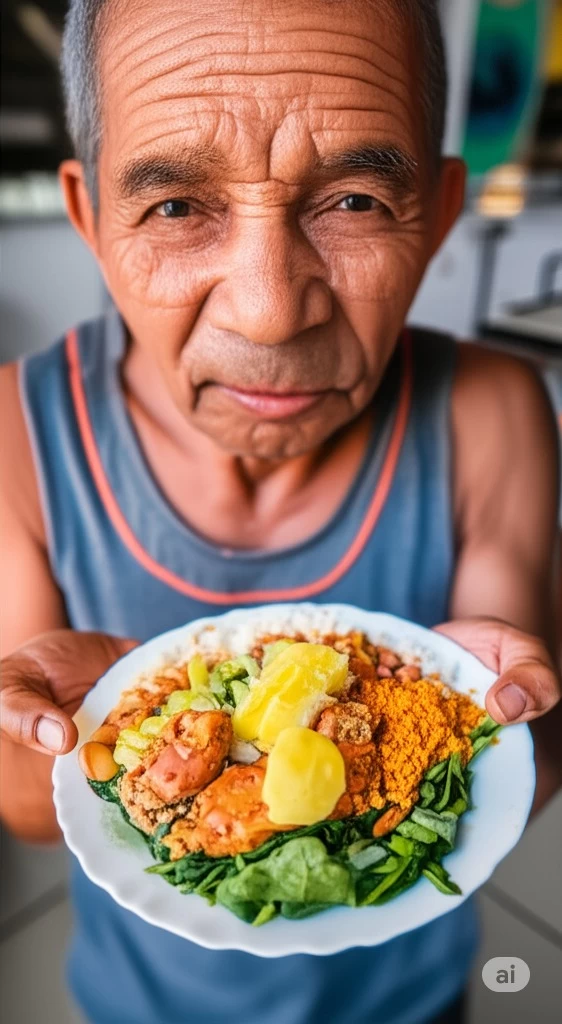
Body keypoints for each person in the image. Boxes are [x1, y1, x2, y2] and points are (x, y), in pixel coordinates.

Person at [1, 1, 560, 1022]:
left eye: (352, 200)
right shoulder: (17, 434)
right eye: (174, 206)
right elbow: (34, 812)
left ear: (434, 214)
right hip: (139, 999)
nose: (270, 307)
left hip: (410, 991)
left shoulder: (494, 413)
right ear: (89, 220)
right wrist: (72, 727)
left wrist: (495, 715)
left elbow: (519, 776)